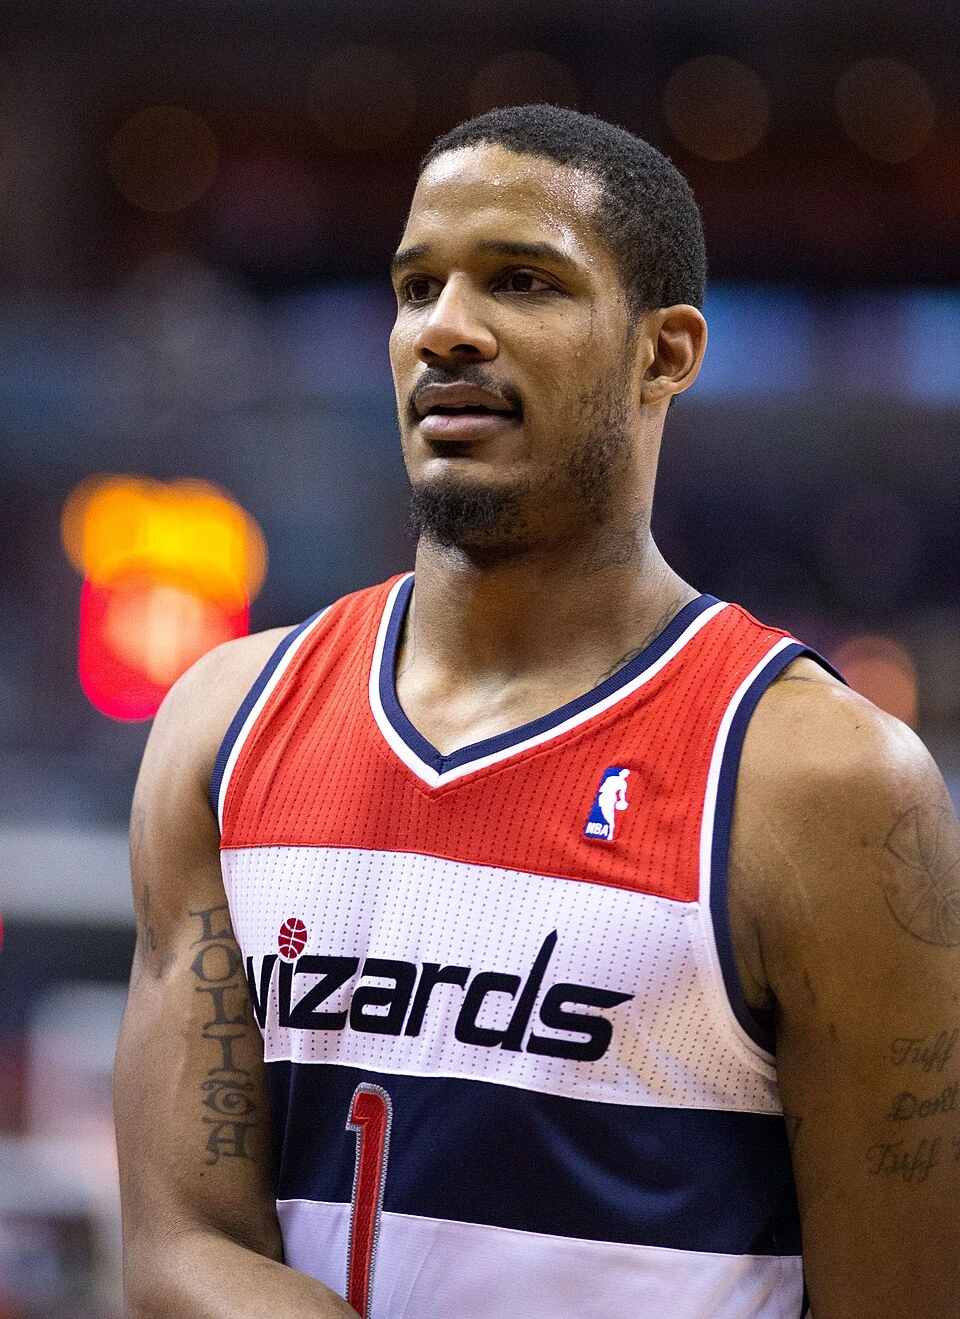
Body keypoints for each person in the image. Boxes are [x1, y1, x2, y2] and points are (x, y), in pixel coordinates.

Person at [114, 104, 960, 1319]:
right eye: (417, 287)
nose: (447, 329)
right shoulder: (223, 725)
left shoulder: (823, 785)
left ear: (665, 352)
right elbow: (177, 1246)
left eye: (522, 281)